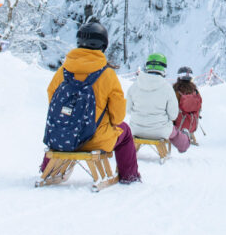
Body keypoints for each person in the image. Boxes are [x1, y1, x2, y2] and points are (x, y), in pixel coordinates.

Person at [44, 21, 140, 184]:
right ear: (103, 45)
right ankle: (129, 176)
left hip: (62, 138)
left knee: (61, 126)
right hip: (95, 140)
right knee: (125, 130)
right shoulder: (107, 74)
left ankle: (46, 168)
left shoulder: (63, 71)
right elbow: (117, 117)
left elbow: (52, 102)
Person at [127, 53, 191, 153]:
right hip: (160, 131)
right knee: (175, 133)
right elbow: (173, 115)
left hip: (135, 129)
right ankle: (184, 143)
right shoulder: (167, 88)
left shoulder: (134, 86)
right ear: (163, 69)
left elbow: (127, 110)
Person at [173, 66, 203, 145]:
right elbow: (200, 106)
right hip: (192, 125)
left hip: (177, 125)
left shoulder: (175, 90)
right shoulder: (195, 91)